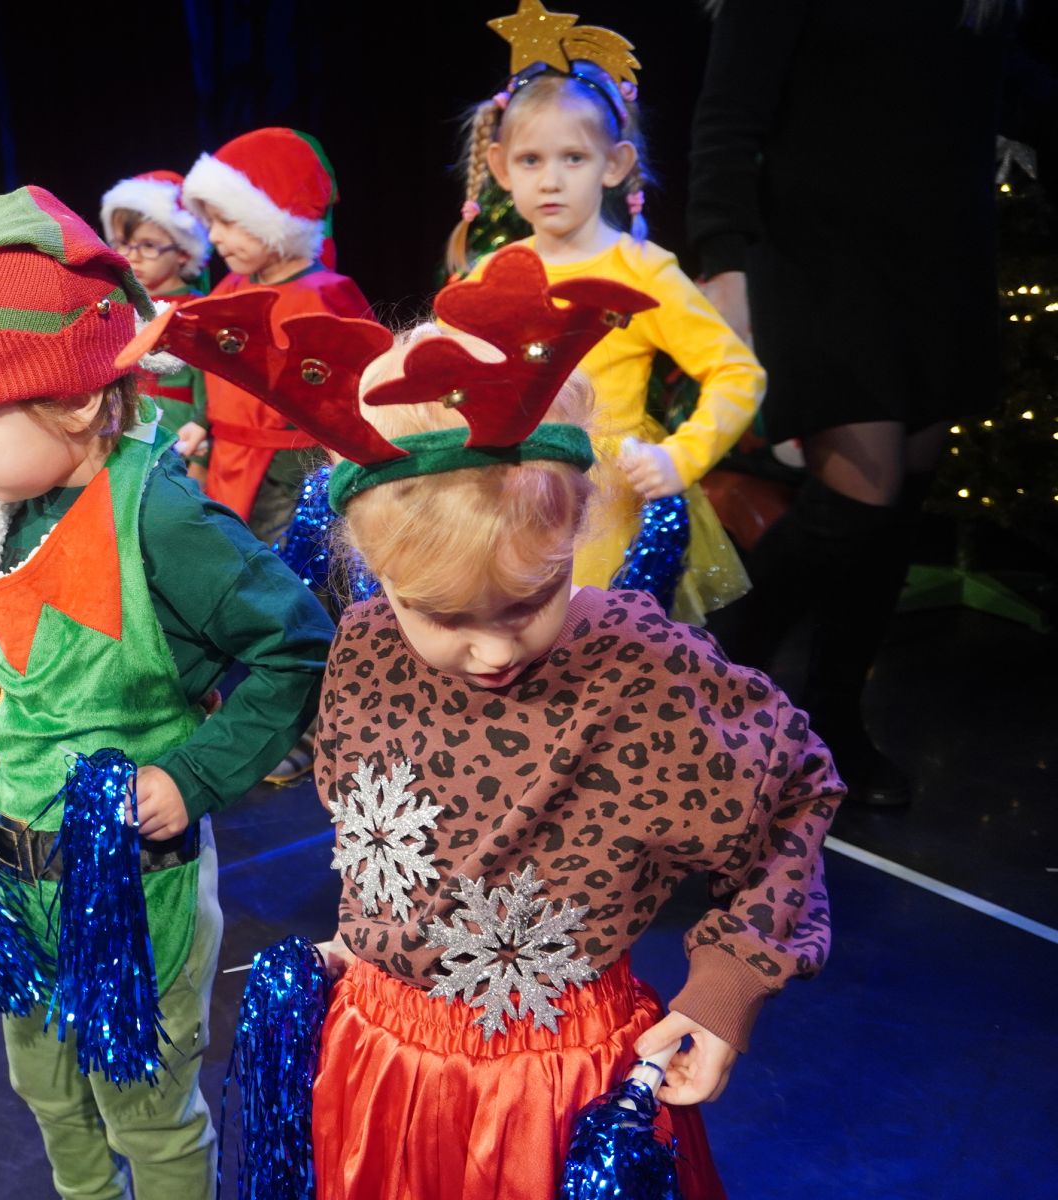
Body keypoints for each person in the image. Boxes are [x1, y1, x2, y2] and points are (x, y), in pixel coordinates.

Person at [192, 248, 837, 1200]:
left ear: (574, 532)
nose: (492, 651)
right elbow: (394, 845)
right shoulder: (365, 649)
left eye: (527, 602)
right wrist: (371, 945)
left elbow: (793, 799)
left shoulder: (641, 673)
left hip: (552, 1091)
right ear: (376, 573)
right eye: (442, 615)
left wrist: (724, 992)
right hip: (381, 1065)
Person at [0, 185, 334, 1200]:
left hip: (130, 893)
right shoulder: (6, 498)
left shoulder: (161, 519)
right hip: (15, 882)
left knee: (146, 1112)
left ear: (80, 401)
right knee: (47, 1091)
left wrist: (193, 776)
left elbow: (299, 646)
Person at [687, 0, 1013, 805]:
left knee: (899, 498)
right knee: (858, 494)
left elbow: (995, 85)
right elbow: (729, 113)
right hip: (821, 255)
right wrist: (722, 258)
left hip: (939, 253)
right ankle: (698, 699)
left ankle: (833, 718)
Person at [453, 5, 763, 624]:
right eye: (532, 161)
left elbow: (737, 373)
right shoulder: (493, 273)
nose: (551, 181)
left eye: (573, 157)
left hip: (603, 502)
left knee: (589, 642)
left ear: (614, 165)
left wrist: (679, 457)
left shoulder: (641, 270)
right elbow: (454, 375)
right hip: (507, 497)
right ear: (501, 169)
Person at [180, 127, 369, 544]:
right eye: (211, 222)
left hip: (282, 483)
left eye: (227, 222)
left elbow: (344, 400)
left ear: (273, 217)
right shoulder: (231, 287)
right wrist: (203, 423)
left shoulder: (322, 296)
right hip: (228, 466)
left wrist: (292, 478)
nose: (214, 236)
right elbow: (221, 373)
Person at [99, 169, 210, 477]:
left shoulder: (195, 309)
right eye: (122, 243)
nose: (132, 256)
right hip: (125, 431)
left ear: (183, 252)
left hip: (178, 433)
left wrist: (200, 454)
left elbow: (212, 389)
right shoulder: (119, 304)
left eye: (147, 245)